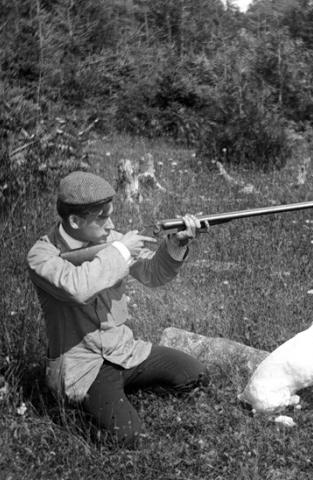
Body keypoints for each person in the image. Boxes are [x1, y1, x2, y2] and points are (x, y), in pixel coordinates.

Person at [27, 171, 209, 447]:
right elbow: (77, 287)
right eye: (102, 217)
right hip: (83, 366)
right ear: (75, 221)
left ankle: (117, 396)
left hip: (124, 350)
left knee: (195, 374)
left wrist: (175, 245)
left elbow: (153, 274)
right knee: (129, 438)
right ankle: (85, 409)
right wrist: (121, 251)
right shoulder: (42, 256)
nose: (111, 223)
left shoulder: (111, 239)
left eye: (110, 214)